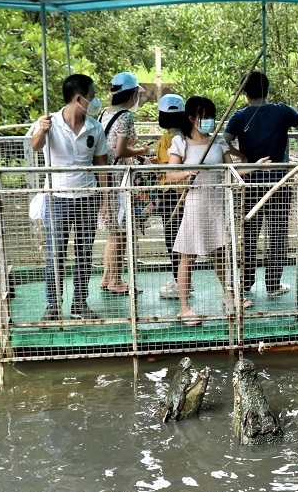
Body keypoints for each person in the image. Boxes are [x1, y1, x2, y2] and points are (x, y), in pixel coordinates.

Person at [31, 74, 109, 321]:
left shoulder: (95, 127)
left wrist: (105, 200)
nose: (95, 100)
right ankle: (53, 306)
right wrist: (41, 131)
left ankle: (79, 304)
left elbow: (101, 165)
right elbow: (35, 146)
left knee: (84, 253)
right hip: (57, 197)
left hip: (86, 197)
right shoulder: (49, 122)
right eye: (92, 95)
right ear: (79, 98)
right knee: (56, 253)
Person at [169, 95, 245, 325]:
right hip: (195, 205)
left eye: (212, 116)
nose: (209, 120)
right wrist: (186, 173)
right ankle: (184, 308)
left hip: (216, 205)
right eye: (205, 116)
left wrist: (256, 166)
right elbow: (170, 175)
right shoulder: (180, 142)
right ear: (192, 118)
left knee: (221, 254)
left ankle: (229, 295)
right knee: (187, 257)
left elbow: (231, 171)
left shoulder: (218, 141)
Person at [222, 71, 298, 299]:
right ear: (267, 89)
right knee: (277, 235)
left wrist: (243, 156)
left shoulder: (240, 115)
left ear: (244, 92)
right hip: (278, 182)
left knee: (250, 234)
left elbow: (222, 141)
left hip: (251, 182)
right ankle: (273, 284)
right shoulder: (282, 111)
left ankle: (245, 284)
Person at [98, 72, 152, 295]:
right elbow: (120, 149)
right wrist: (142, 150)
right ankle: (116, 281)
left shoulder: (105, 113)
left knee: (113, 231)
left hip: (106, 175)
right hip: (119, 177)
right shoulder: (126, 117)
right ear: (132, 94)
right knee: (119, 232)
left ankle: (106, 277)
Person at [153, 94, 187, 298]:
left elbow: (169, 168)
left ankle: (179, 282)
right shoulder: (187, 136)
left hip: (172, 193)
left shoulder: (167, 139)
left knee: (173, 239)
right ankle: (182, 279)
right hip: (187, 193)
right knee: (184, 241)